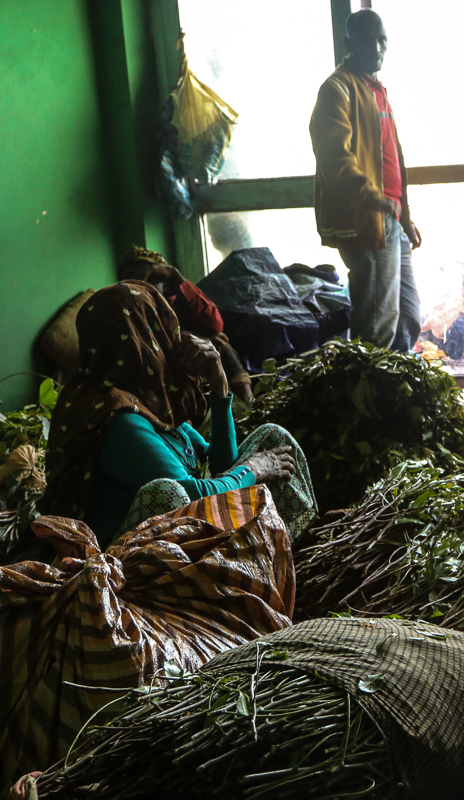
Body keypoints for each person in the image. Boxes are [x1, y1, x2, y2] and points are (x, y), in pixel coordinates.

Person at [41, 282, 317, 547]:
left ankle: (295, 546)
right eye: (163, 328)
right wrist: (253, 470)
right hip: (121, 562)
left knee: (271, 437)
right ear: (147, 339)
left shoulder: (151, 406)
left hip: (179, 543)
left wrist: (219, 384)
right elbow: (191, 498)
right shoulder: (118, 420)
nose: (174, 338)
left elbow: (222, 464)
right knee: (168, 494)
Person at [310, 9, 421, 351]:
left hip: (390, 219)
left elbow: (392, 161)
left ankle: (398, 392)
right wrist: (375, 199)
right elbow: (334, 159)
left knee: (408, 315)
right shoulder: (337, 90)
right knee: (376, 330)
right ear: (348, 44)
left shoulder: (376, 90)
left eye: (382, 40)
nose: (376, 47)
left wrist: (405, 216)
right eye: (367, 40)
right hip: (365, 221)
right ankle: (371, 401)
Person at [116, 245, 254, 403]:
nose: (142, 285)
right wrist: (189, 338)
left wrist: (173, 274)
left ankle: (250, 407)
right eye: (131, 279)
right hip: (154, 372)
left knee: (221, 347)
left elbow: (214, 326)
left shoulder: (176, 304)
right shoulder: (124, 310)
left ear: (166, 284)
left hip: (188, 364)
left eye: (151, 278)